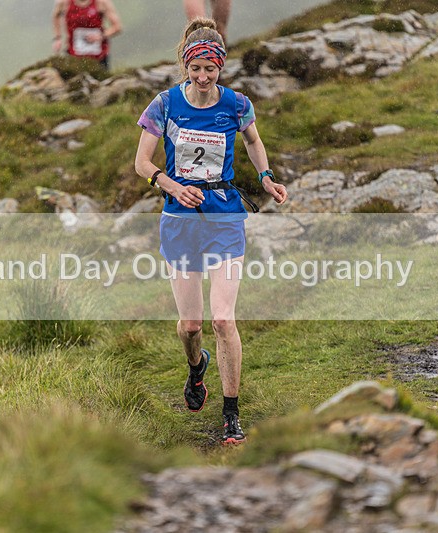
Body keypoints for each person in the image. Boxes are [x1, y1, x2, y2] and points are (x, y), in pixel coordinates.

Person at [134, 18, 287, 445]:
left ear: (221, 68)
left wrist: (267, 177)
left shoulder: (237, 105)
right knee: (190, 325)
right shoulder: (163, 105)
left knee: (222, 318)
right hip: (180, 223)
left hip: (223, 217)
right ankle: (196, 366)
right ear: (186, 65)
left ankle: (231, 415)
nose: (203, 78)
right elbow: (142, 164)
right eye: (196, 69)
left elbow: (253, 141)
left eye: (211, 70)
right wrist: (171, 186)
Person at [52, 0, 123, 70]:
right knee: (73, 79)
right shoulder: (64, 2)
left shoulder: (102, 2)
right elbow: (56, 15)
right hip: (73, 55)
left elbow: (117, 27)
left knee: (101, 79)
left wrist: (101, 36)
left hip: (98, 56)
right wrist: (58, 38)